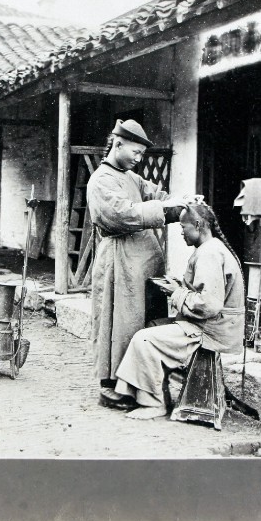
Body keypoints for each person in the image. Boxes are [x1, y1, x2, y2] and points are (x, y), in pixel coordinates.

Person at [105, 201, 246, 419]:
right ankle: (153, 393)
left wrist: (176, 292)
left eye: (183, 227)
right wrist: (178, 286)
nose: (181, 233)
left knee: (144, 339)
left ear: (197, 224)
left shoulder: (209, 253)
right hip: (209, 325)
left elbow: (209, 305)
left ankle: (154, 404)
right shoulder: (210, 248)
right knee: (152, 326)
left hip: (210, 331)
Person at [86, 119, 187, 406]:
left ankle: (142, 383)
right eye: (136, 152)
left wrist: (182, 203)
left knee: (144, 321)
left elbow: (157, 197)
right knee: (119, 322)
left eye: (142, 154)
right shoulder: (101, 180)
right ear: (118, 144)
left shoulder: (131, 177)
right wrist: (162, 207)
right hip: (120, 262)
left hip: (144, 264)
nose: (139, 159)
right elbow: (120, 214)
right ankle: (111, 386)